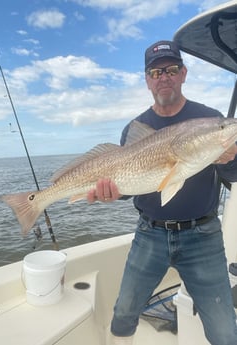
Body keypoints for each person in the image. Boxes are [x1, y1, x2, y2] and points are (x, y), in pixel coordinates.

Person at [87, 40, 237, 345]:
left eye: (171, 69)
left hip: (203, 236)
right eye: (155, 72)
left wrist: (231, 157)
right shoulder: (135, 127)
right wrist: (111, 193)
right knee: (124, 312)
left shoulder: (209, 118)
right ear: (147, 80)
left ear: (183, 73)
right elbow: (130, 187)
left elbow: (231, 175)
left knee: (224, 331)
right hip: (149, 235)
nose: (163, 77)